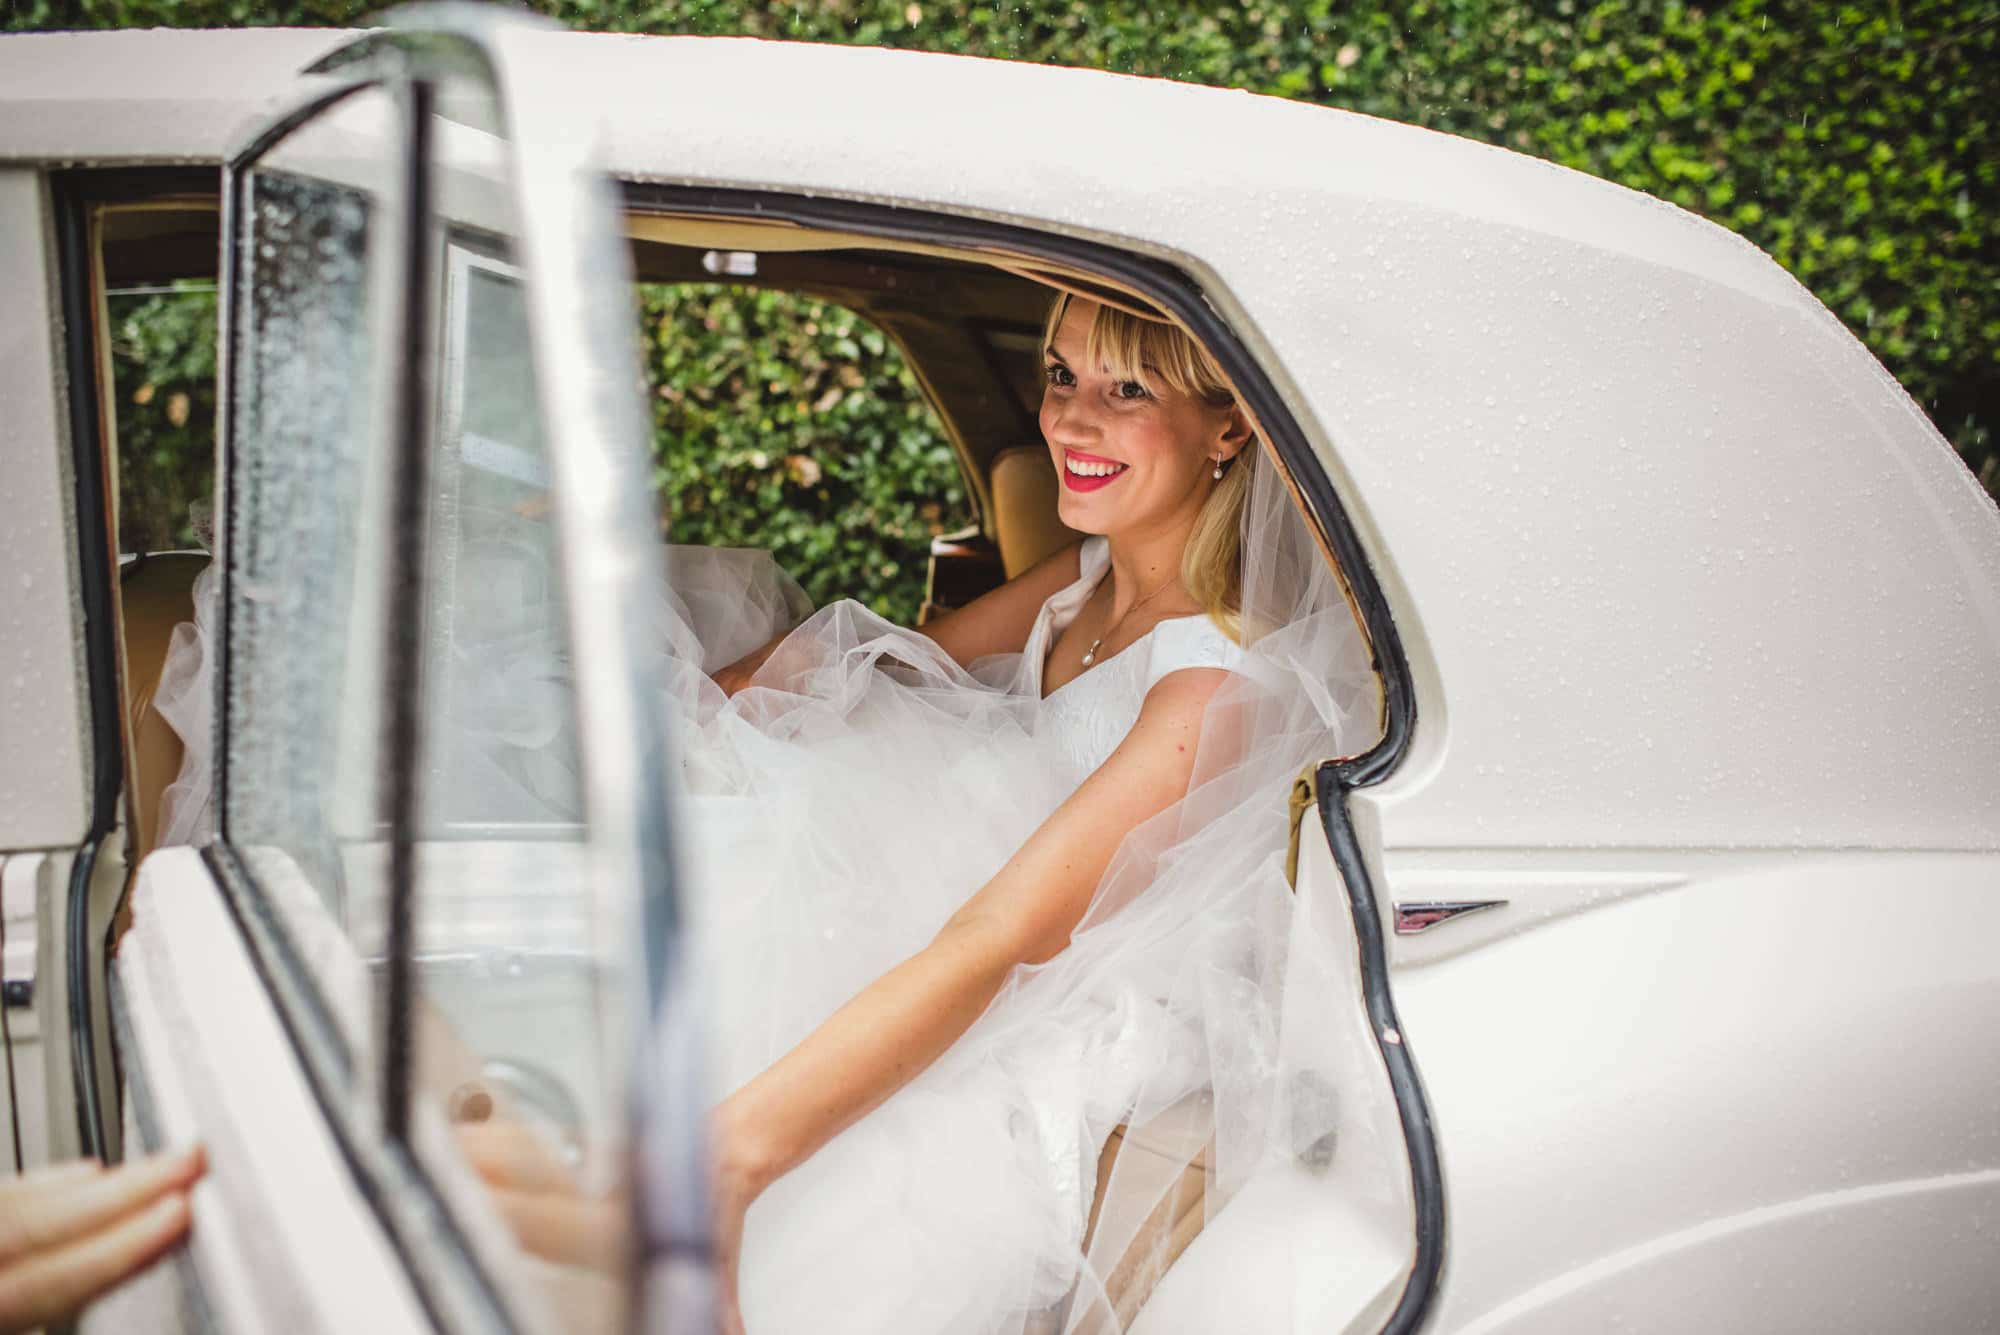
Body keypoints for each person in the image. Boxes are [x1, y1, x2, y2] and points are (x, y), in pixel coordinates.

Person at [647, 291, 1379, 1334]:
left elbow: (1004, 939)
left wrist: (734, 1158)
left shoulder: (1215, 681)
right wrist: (688, 716)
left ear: (1229, 425)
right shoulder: (1082, 578)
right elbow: (887, 660)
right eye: (1060, 376)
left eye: (1126, 389)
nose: (1071, 422)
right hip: (963, 912)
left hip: (1061, 993)